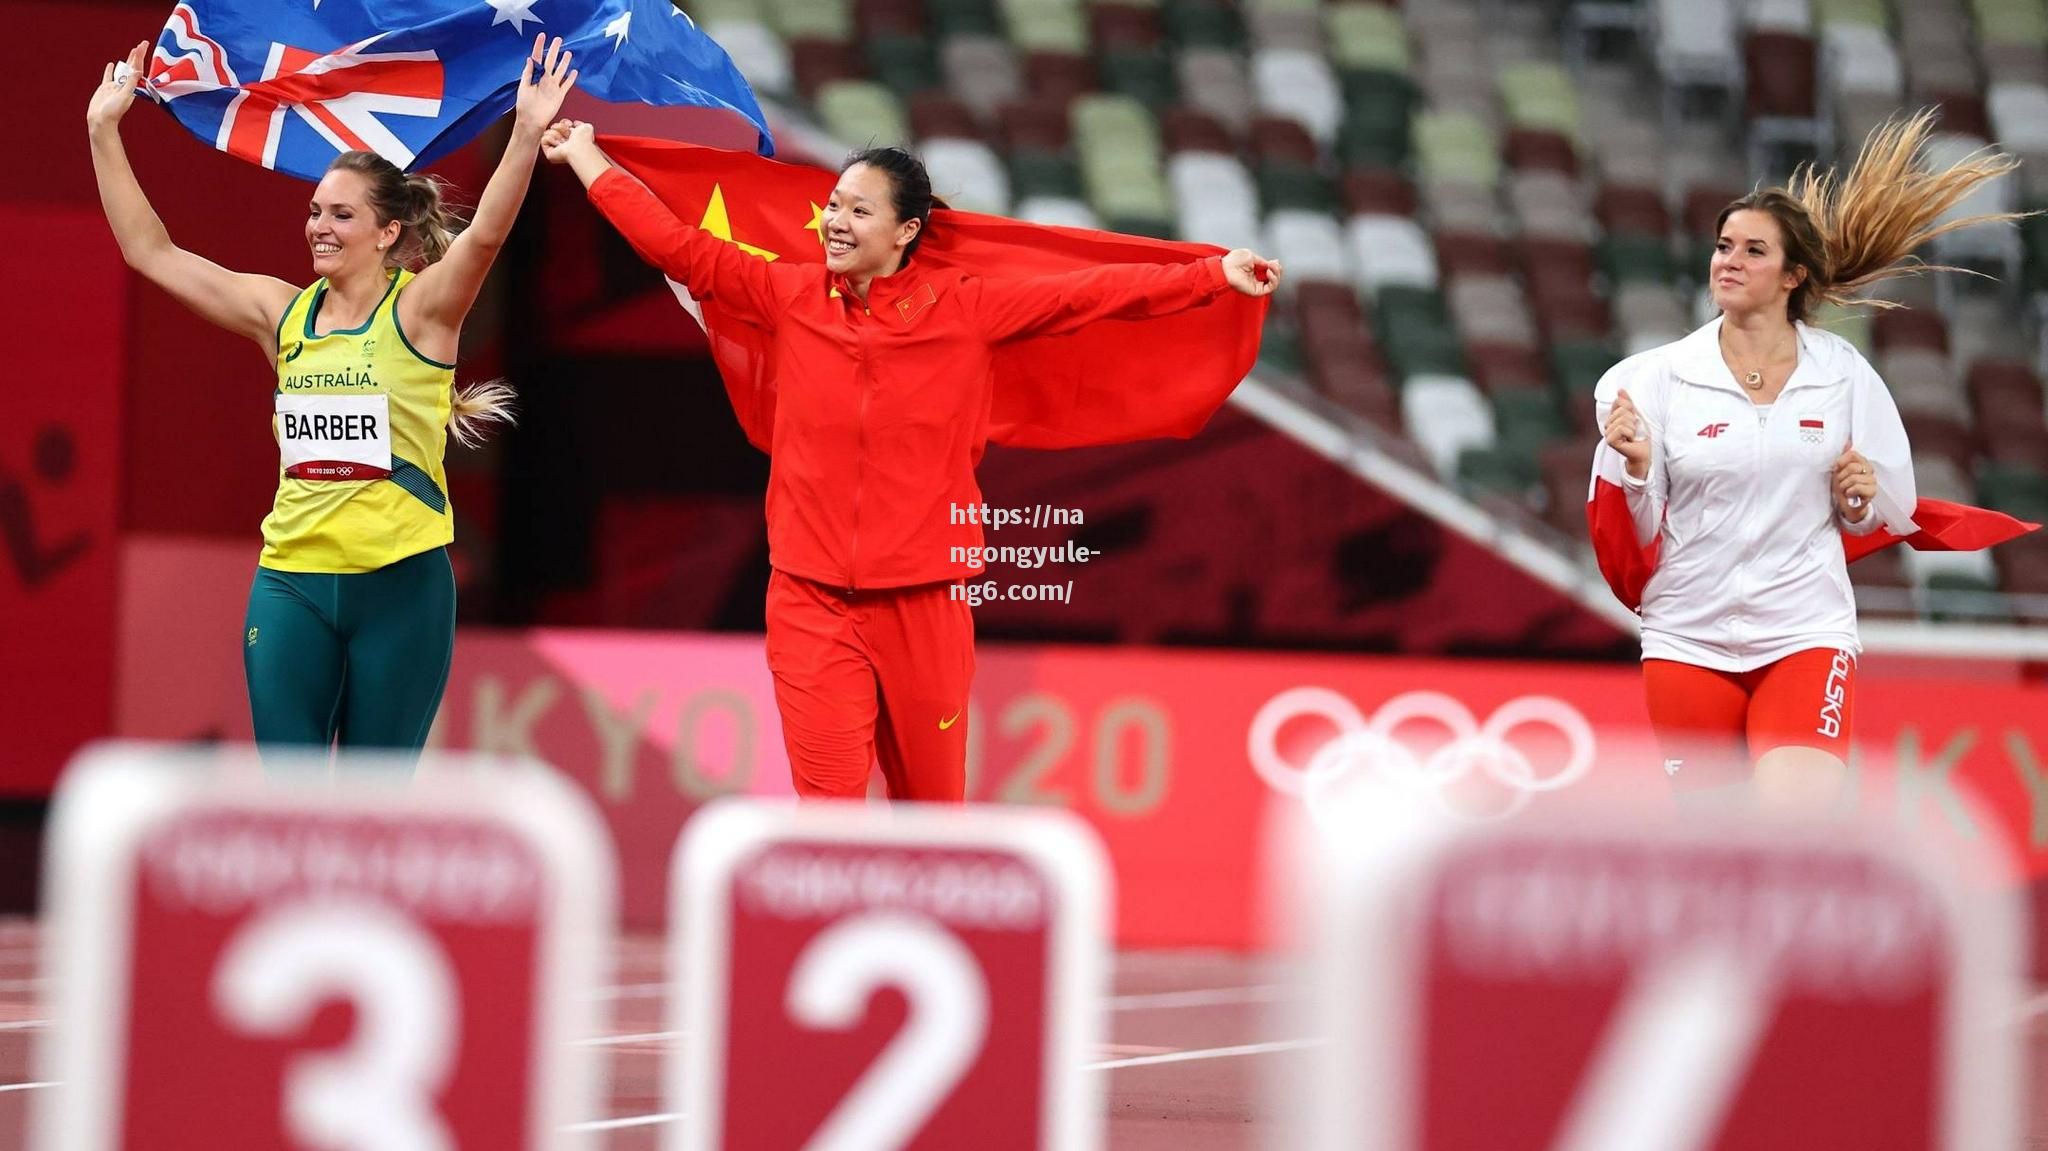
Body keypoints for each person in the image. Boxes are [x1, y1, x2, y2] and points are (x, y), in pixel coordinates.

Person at [540, 119, 1280, 802]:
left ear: (907, 230)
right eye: (833, 205)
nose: (834, 222)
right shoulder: (788, 294)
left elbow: (1092, 294)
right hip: (810, 601)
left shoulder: (968, 309)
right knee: (827, 816)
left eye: (859, 211)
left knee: (931, 818)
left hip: (926, 603)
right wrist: (585, 157)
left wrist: (1213, 276)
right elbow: (679, 247)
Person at [87, 35, 578, 755]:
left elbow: (482, 240)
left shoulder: (422, 314)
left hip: (401, 589)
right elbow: (151, 251)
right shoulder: (280, 315)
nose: (318, 226)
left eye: (341, 215)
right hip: (292, 585)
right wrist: (103, 130)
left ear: (387, 233)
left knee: (374, 803)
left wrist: (526, 136)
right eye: (316, 210)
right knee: (291, 801)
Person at [1590, 110, 2025, 810]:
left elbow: (1884, 511)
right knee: (1720, 846)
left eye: (1752, 251)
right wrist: (1638, 468)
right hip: (1687, 639)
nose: (1728, 261)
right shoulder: (1653, 380)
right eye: (1724, 246)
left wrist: (1857, 499)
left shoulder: (1843, 376)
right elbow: (1634, 536)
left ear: (1794, 274)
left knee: (1798, 827)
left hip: (1803, 630)